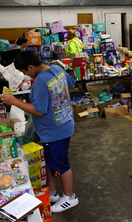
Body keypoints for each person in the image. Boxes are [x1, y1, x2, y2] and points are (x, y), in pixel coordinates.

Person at [1, 51, 79, 213]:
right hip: (63, 124)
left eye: (24, 72)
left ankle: (70, 197)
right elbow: (71, 84)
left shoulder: (40, 81)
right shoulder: (56, 69)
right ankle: (52, 193)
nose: (25, 76)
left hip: (55, 131)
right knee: (52, 162)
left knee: (61, 164)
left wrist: (14, 101)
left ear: (30, 67)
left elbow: (39, 109)